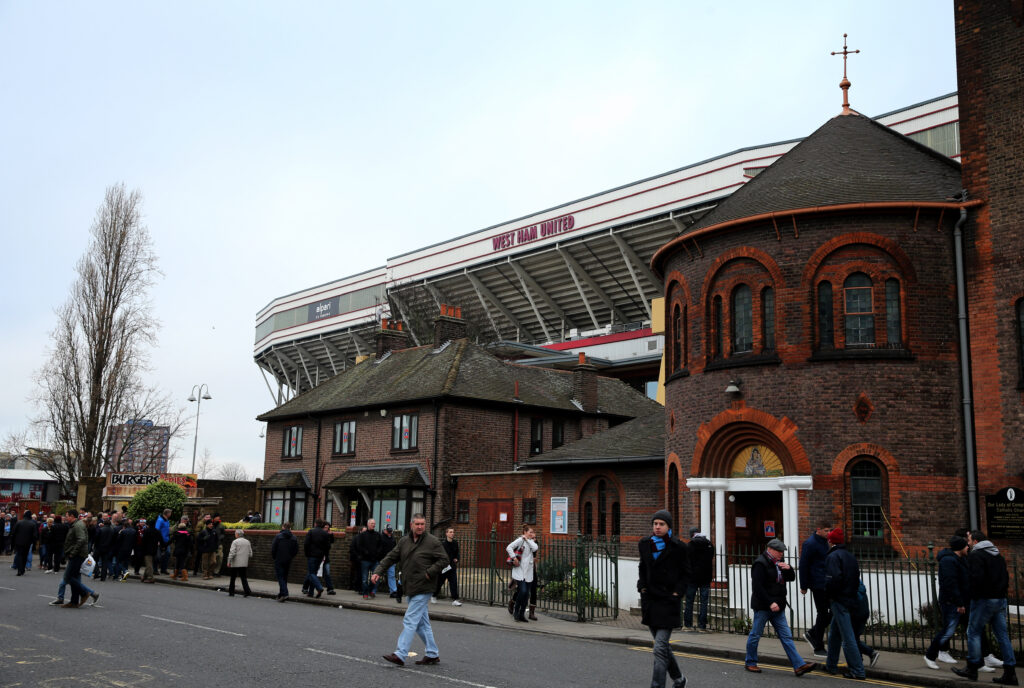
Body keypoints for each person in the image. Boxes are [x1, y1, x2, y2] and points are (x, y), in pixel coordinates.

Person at [373, 513, 449, 667]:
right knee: (422, 624)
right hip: (410, 586)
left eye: (422, 524)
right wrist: (378, 571)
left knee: (410, 619)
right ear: (411, 524)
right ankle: (432, 653)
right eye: (417, 524)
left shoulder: (432, 542)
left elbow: (444, 560)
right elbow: (391, 557)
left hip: (424, 586)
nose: (420, 527)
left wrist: (429, 573)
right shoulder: (404, 541)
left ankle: (400, 654)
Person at [745, 538, 816, 676]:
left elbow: (790, 578)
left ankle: (799, 666)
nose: (781, 554)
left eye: (782, 551)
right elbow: (758, 587)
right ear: (770, 549)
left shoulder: (778, 563)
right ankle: (750, 662)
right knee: (755, 635)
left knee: (786, 637)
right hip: (764, 607)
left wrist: (789, 569)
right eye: (779, 551)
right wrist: (770, 603)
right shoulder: (760, 563)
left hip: (779, 607)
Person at [953, 530, 1017, 684]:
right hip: (1000, 599)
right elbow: (1005, 577)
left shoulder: (976, 555)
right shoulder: (997, 555)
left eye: (969, 540)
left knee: (973, 632)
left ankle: (972, 667)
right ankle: (1010, 672)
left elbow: (976, 579)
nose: (967, 543)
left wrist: (973, 597)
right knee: (1002, 635)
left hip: (983, 600)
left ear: (975, 541)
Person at [638, 509, 690, 688]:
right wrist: (642, 588)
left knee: (659, 648)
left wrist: (677, 593)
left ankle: (657, 685)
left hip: (668, 602)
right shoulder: (645, 544)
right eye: (655, 524)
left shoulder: (679, 547)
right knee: (664, 647)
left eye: (661, 524)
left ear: (669, 527)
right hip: (651, 601)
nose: (657, 527)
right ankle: (679, 679)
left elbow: (686, 574)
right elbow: (643, 568)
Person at [824, 528, 865, 680]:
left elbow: (832, 580)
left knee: (847, 639)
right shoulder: (850, 556)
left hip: (839, 600)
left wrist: (829, 596)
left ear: (830, 541)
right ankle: (831, 665)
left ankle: (857, 671)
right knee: (834, 633)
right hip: (850, 598)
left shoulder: (833, 557)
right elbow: (856, 578)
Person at [799, 518, 832, 657]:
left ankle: (812, 633)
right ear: (818, 529)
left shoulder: (825, 542)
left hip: (826, 583)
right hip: (817, 584)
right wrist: (804, 585)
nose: (828, 533)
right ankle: (818, 645)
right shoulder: (810, 543)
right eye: (826, 531)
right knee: (823, 613)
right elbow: (803, 564)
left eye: (829, 530)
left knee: (832, 611)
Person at [62, 509, 99, 608]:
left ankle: (85, 593)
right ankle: (74, 601)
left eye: (67, 516)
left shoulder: (78, 525)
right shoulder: (77, 524)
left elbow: (81, 539)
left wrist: (73, 553)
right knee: (74, 577)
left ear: (72, 516)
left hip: (77, 555)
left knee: (69, 578)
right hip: (77, 554)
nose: (66, 518)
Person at [506, 524, 539, 623]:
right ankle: (516, 611)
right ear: (525, 532)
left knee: (526, 595)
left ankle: (521, 614)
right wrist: (514, 558)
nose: (532, 534)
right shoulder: (519, 540)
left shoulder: (532, 542)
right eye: (530, 532)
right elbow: (509, 547)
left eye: (533, 532)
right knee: (523, 591)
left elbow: (535, 548)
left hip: (528, 572)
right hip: (519, 571)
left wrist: (527, 539)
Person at [685, 527, 713, 630]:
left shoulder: (691, 545)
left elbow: (687, 561)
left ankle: (688, 624)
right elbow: (710, 558)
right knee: (704, 602)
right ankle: (702, 625)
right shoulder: (709, 544)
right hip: (705, 577)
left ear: (692, 534)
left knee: (689, 601)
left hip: (692, 578)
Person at [354, 518, 384, 599]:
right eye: (371, 523)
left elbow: (381, 546)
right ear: (368, 524)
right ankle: (365, 593)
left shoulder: (378, 535)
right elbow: (359, 546)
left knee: (376, 578)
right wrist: (365, 553)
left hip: (375, 560)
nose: (373, 525)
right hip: (365, 560)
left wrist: (377, 554)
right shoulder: (362, 535)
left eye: (374, 523)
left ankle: (371, 590)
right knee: (364, 579)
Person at [433, 526, 462, 606]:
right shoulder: (443, 544)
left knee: (453, 583)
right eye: (450, 532)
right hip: (444, 567)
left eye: (453, 532)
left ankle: (455, 599)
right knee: (440, 582)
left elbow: (457, 553)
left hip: (452, 567)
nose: (452, 533)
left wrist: (457, 558)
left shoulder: (455, 543)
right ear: (446, 534)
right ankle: (434, 595)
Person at [271, 521, 299, 601]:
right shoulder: (294, 537)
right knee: (284, 577)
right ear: (290, 528)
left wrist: (275, 557)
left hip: (279, 559)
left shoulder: (278, 536)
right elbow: (296, 550)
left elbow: (273, 548)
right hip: (288, 559)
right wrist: (291, 556)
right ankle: (281, 594)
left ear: (283, 527)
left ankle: (285, 593)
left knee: (280, 577)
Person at [302, 519, 331, 598]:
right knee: (314, 573)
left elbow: (306, 544)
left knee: (311, 573)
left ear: (315, 524)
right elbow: (328, 546)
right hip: (320, 556)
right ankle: (311, 592)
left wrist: (307, 554)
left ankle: (319, 587)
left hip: (312, 556)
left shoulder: (311, 532)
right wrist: (323, 554)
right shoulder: (325, 534)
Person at [226, 528, 253, 597]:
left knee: (233, 578)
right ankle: (247, 591)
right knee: (243, 577)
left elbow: (232, 552)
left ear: (237, 534)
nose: (235, 535)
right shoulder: (247, 542)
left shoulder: (235, 542)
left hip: (235, 563)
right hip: (244, 563)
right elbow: (250, 554)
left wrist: (229, 561)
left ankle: (231, 592)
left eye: (235, 534)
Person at [11, 510, 37, 575]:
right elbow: (35, 536)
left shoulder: (19, 522)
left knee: (19, 555)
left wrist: (13, 543)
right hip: (28, 543)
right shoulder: (32, 524)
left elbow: (13, 533)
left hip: (18, 542)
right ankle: (22, 569)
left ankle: (19, 570)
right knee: (25, 556)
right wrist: (34, 544)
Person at [381, 526, 400, 602]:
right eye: (388, 531)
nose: (390, 533)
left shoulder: (392, 539)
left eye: (390, 531)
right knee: (377, 574)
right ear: (384, 530)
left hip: (391, 560)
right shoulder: (381, 538)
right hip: (382, 559)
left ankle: (393, 591)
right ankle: (371, 590)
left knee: (391, 575)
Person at [93, 517, 115, 581]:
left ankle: (96, 572)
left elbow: (96, 538)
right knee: (104, 563)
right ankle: (103, 576)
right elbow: (113, 540)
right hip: (107, 548)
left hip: (98, 547)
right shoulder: (112, 530)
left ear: (104, 523)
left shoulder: (101, 529)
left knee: (94, 561)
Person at [140, 516, 161, 583]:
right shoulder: (157, 531)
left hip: (147, 550)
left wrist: (141, 549)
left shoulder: (146, 531)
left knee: (149, 564)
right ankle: (144, 577)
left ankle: (150, 578)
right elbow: (161, 540)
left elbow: (143, 541)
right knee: (149, 563)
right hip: (154, 550)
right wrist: (164, 546)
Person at [155, 508, 172, 575]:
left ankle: (163, 569)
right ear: (167, 514)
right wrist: (158, 540)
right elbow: (157, 530)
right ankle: (155, 569)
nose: (171, 514)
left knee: (167, 554)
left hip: (166, 540)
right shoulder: (160, 520)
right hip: (160, 541)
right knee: (158, 556)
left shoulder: (167, 520)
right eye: (170, 513)